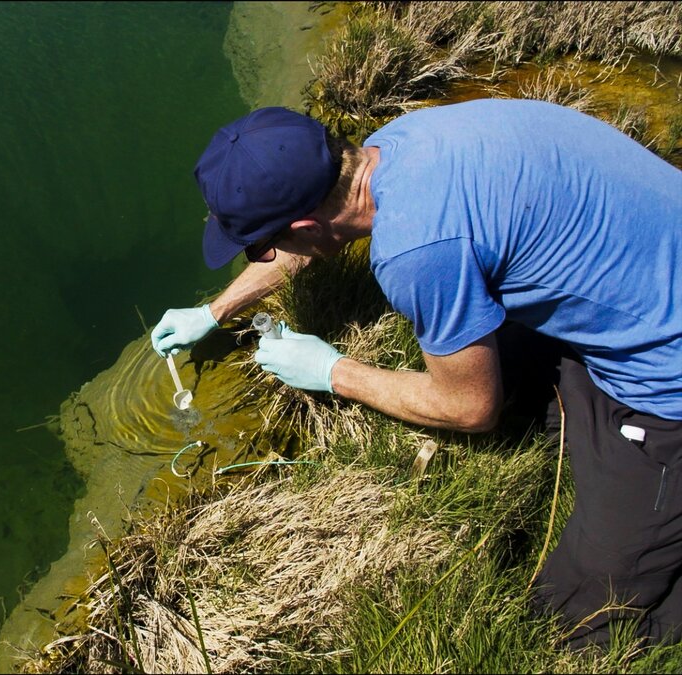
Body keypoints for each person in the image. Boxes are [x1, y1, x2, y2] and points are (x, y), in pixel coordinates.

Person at [149, 101, 682, 648]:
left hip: (669, 383)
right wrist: (215, 311)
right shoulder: (401, 143)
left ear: (303, 224)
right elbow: (312, 239)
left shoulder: (417, 251)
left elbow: (470, 409)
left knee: (572, 614)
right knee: (518, 371)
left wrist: (332, 371)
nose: (265, 255)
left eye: (262, 246)